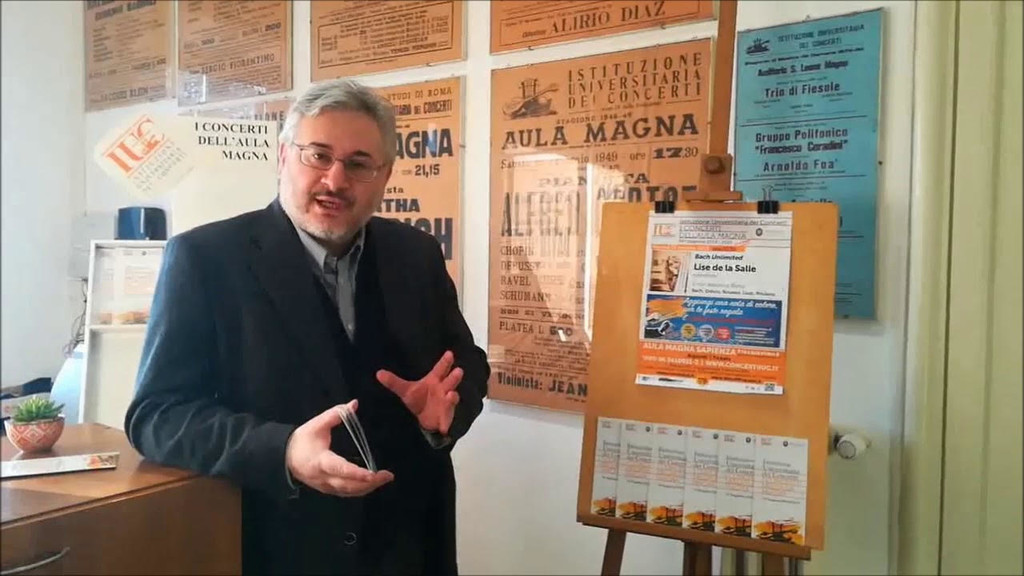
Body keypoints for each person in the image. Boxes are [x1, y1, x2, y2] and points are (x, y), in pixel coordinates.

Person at [124, 78, 489, 576]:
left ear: (384, 175)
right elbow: (157, 416)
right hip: (281, 547)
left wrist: (443, 415)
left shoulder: (416, 254)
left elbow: (467, 364)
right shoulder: (205, 259)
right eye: (318, 155)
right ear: (283, 157)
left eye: (359, 164)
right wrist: (284, 450)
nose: (335, 181)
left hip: (411, 545)